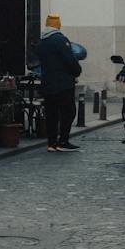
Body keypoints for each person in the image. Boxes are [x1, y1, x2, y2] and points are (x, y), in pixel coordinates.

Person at [36, 14, 82, 151]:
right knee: (68, 111)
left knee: (51, 113)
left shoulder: (42, 41)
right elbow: (70, 59)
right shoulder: (60, 40)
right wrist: (77, 71)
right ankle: (63, 141)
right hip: (63, 83)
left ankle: (51, 143)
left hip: (48, 82)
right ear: (58, 25)